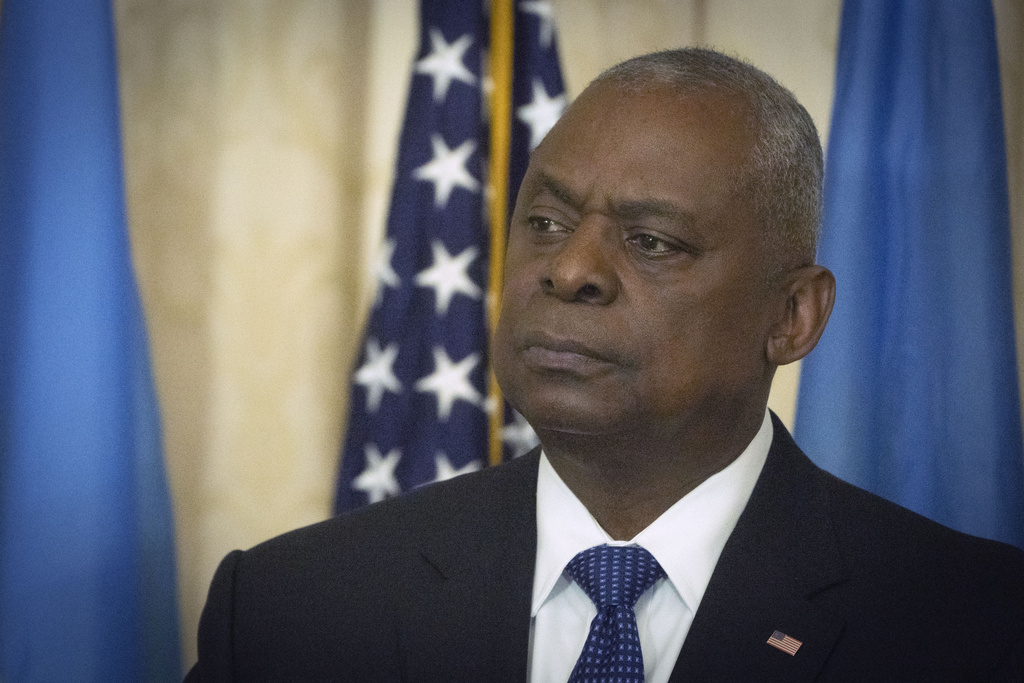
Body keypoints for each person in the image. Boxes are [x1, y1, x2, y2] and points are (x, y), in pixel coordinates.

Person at [185, 49, 1024, 682]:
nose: (570, 269)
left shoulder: (976, 626)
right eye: (546, 223)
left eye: (650, 240)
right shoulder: (292, 608)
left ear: (791, 315)